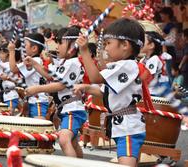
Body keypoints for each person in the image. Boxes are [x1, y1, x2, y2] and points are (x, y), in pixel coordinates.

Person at [74, 18, 146, 167]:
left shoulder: (127, 65)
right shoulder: (124, 65)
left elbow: (95, 77)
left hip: (128, 127)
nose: (106, 48)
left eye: (108, 43)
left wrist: (85, 50)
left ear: (125, 45)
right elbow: (104, 92)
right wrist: (85, 88)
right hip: (124, 124)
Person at [24, 26, 87, 158]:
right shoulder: (66, 62)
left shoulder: (73, 63)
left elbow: (59, 85)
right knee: (73, 143)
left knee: (64, 140)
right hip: (67, 108)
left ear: (72, 46)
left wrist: (38, 88)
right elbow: (49, 76)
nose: (57, 46)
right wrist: (35, 64)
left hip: (72, 109)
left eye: (60, 42)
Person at [9, 33, 49, 119]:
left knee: (38, 127)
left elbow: (13, 69)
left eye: (25, 45)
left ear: (34, 48)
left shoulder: (34, 60)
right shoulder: (35, 60)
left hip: (38, 101)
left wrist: (12, 51)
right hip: (34, 100)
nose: (23, 48)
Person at [140, 31, 170, 96]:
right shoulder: (143, 59)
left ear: (151, 45)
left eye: (143, 40)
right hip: (147, 91)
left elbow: (148, 76)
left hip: (154, 93)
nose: (140, 42)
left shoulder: (154, 59)